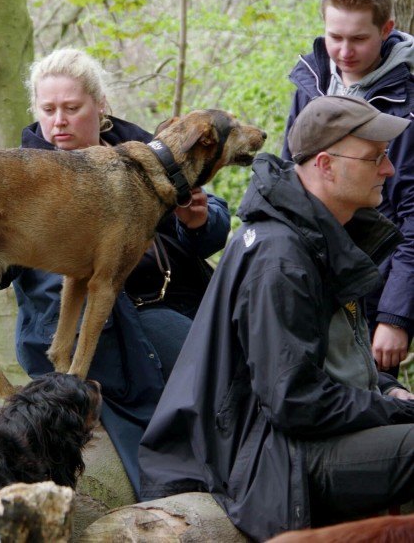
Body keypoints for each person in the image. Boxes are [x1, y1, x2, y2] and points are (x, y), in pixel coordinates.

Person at [140, 95, 414, 541]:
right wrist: (391, 410)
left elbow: (323, 362)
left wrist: (386, 389)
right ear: (326, 165)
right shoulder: (279, 258)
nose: (388, 169)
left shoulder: (313, 233)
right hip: (264, 456)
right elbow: (293, 401)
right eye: (375, 158)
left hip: (289, 436)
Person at [0, 48, 230, 496]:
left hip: (183, 297)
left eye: (71, 108)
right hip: (107, 329)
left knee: (238, 365)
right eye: (48, 110)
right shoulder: (24, 175)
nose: (58, 121)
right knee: (192, 384)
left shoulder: (143, 147)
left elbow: (213, 223)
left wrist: (198, 219)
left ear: (101, 106)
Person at [283, 0, 414, 373]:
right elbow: (290, 178)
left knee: (372, 396)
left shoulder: (407, 105)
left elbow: (412, 215)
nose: (344, 51)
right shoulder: (310, 85)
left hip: (374, 285)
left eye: (358, 38)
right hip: (307, 279)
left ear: (386, 29)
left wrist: (395, 315)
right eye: (334, 36)